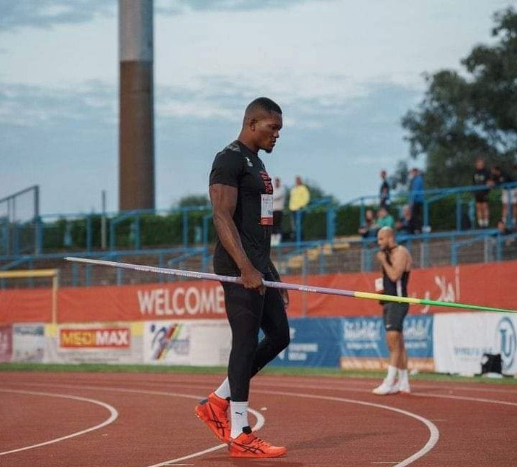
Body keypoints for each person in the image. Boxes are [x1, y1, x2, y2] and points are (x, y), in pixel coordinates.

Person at [195, 97, 289, 458]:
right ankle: (240, 433)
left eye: (279, 129)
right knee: (246, 341)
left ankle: (217, 400)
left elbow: (260, 228)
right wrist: (247, 268)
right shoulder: (229, 160)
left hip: (258, 266)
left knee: (279, 336)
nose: (277, 135)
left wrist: (269, 270)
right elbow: (221, 217)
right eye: (273, 128)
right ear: (252, 123)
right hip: (237, 269)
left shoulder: (258, 165)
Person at [372, 227, 412, 395]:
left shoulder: (401, 252)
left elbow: (395, 275)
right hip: (388, 301)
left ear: (390, 237)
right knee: (397, 343)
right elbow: (387, 278)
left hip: (398, 301)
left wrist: (383, 261)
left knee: (393, 340)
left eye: (381, 239)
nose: (379, 243)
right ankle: (403, 383)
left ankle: (389, 381)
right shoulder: (386, 255)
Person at [289, 175, 311, 240]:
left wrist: (302, 206)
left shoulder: (303, 188)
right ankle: (296, 239)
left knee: (299, 224)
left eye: (298, 180)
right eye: (296, 180)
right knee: (294, 225)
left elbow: (307, 198)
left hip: (300, 209)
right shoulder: (293, 189)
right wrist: (291, 207)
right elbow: (292, 199)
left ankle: (300, 239)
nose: (296, 181)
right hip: (293, 209)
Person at [472, 157, 491, 228]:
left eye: (481, 163)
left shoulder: (486, 172)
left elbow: (490, 181)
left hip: (484, 192)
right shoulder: (474, 172)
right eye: (479, 163)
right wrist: (473, 192)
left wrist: (488, 190)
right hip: (477, 193)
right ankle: (481, 224)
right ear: (476, 164)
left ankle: (486, 224)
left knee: (485, 207)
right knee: (479, 208)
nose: (480, 165)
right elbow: (473, 182)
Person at [271, 177, 286, 245]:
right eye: (275, 182)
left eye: (277, 182)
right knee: (273, 225)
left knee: (278, 225)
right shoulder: (273, 189)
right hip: (273, 210)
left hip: (279, 210)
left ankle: (278, 240)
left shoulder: (282, 189)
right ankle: (273, 240)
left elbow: (275, 196)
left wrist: (271, 196)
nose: (276, 183)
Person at [408, 168, 424, 233]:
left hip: (417, 200)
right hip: (416, 200)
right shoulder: (416, 179)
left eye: (413, 172)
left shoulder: (418, 179)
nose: (412, 174)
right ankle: (417, 229)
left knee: (415, 216)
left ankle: (417, 230)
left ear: (416, 172)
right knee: (416, 216)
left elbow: (415, 191)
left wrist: (412, 201)